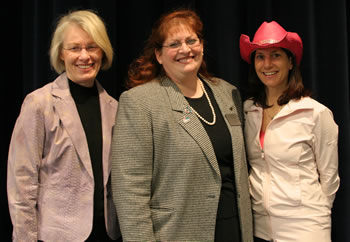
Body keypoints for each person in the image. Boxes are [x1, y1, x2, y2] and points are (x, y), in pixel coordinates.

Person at [110, 9, 253, 241]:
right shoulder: (140, 102)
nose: (185, 49)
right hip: (177, 232)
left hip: (235, 230)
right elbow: (129, 191)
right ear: (158, 54)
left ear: (202, 45)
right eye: (174, 44)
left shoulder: (228, 93)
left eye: (191, 41)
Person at [7, 9, 122, 241]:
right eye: (75, 48)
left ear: (103, 51)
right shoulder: (39, 103)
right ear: (61, 54)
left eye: (92, 47)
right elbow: (22, 183)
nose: (84, 56)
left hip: (107, 235)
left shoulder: (115, 107)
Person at [240, 21, 340, 242]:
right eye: (260, 56)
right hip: (259, 228)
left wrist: (313, 215)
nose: (267, 64)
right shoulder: (248, 110)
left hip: (305, 227)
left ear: (290, 62)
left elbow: (330, 178)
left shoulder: (315, 113)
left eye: (275, 55)